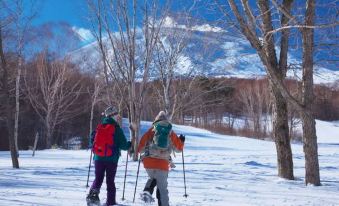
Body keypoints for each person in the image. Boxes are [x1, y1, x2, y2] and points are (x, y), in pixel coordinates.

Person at [137, 111, 185, 206]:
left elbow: (140, 149)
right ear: (166, 120)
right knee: (162, 189)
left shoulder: (151, 130)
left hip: (148, 163)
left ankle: (147, 190)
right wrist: (182, 141)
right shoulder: (170, 131)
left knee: (153, 178)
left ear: (156, 119)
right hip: (163, 164)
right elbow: (179, 149)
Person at [87, 106, 131, 206]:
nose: (118, 116)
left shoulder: (100, 126)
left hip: (98, 157)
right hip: (111, 159)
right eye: (116, 114)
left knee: (98, 178)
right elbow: (124, 145)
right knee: (110, 181)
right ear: (113, 116)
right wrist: (129, 144)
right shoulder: (117, 129)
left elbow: (92, 140)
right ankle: (110, 202)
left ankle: (92, 197)